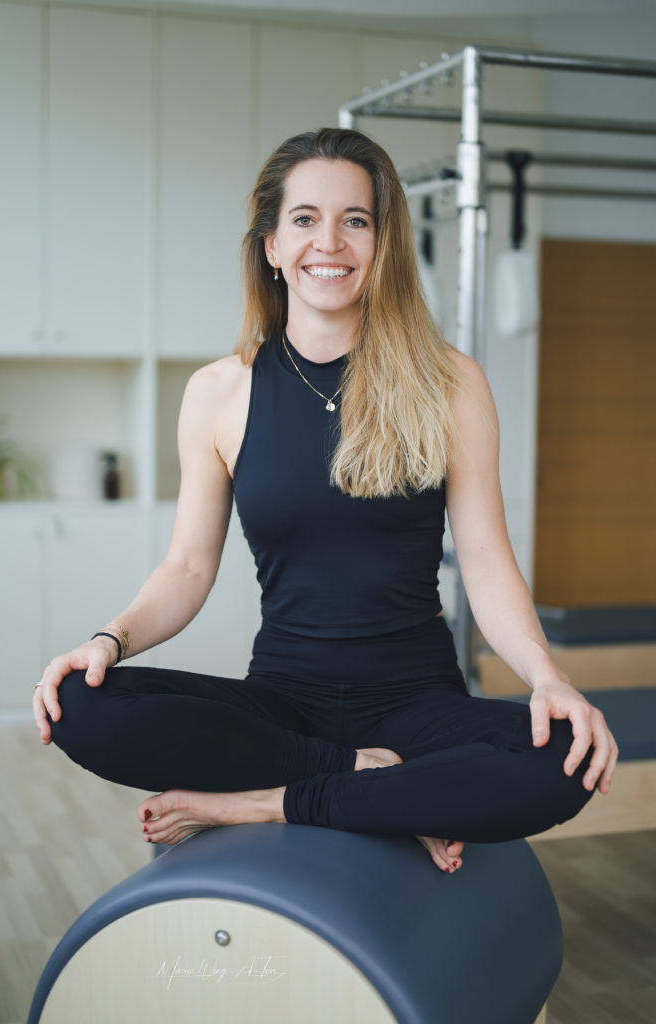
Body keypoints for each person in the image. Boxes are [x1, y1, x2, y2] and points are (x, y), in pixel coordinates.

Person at [33, 127, 618, 875]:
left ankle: (263, 801)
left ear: (382, 244)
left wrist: (548, 678)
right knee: (80, 703)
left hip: (418, 703)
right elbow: (186, 569)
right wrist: (107, 641)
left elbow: (486, 561)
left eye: (356, 220)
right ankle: (377, 789)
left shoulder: (450, 383)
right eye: (305, 218)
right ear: (272, 246)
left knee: (569, 755)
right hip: (285, 705)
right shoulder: (219, 392)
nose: (330, 242)